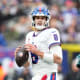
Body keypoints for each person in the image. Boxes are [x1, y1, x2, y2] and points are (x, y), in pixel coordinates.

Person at [15, 6, 63, 80]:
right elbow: (27, 64)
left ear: (47, 19)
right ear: (33, 19)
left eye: (42, 18)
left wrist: (37, 52)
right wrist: (19, 58)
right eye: (37, 18)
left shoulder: (52, 32)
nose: (40, 20)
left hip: (49, 75)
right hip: (36, 76)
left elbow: (58, 59)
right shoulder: (29, 36)